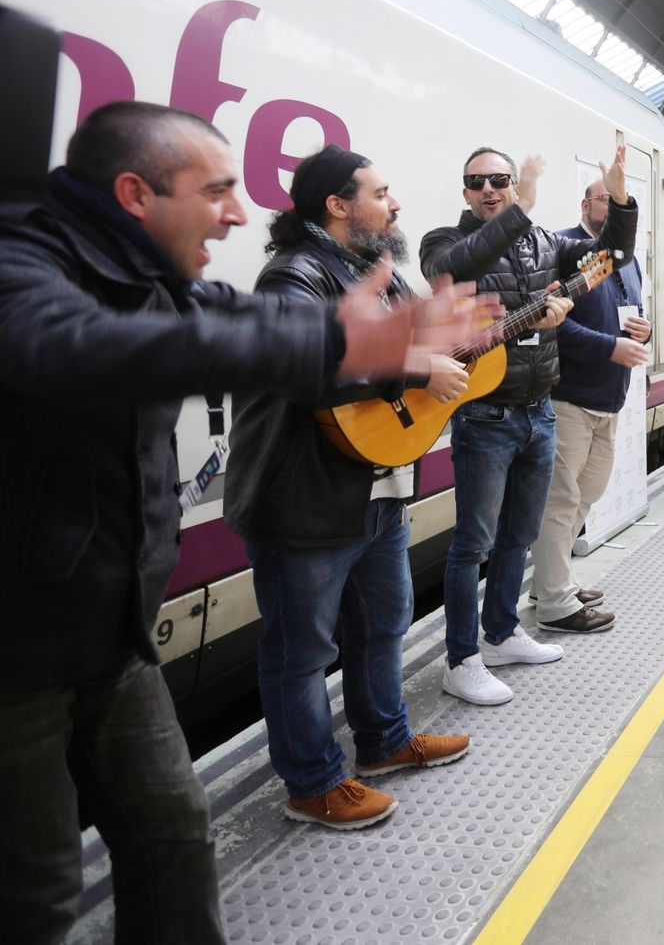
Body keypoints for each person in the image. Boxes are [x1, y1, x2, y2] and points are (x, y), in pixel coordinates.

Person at [0, 101, 474, 942]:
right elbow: (74, 347)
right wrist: (339, 350)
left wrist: (352, 337)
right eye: (217, 189)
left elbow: (233, 315)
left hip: (113, 639)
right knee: (36, 894)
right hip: (19, 653)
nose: (237, 211)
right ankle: (315, 777)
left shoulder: (151, 274)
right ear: (136, 191)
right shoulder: (22, 265)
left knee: (176, 838)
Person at [224, 145, 473, 828]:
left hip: (376, 488)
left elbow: (428, 333)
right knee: (302, 651)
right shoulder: (293, 277)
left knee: (382, 624)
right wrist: (414, 368)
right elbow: (309, 372)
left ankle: (385, 742)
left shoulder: (376, 272)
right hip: (301, 496)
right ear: (337, 205)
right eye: (381, 192)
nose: (394, 203)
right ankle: (311, 782)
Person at [422, 145, 637, 704]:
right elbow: (453, 271)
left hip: (539, 411)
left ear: (511, 183)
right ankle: (462, 659)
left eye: (500, 180)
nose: (489, 189)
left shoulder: (545, 245)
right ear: (465, 192)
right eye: (478, 182)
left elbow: (610, 258)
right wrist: (522, 208)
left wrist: (619, 198)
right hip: (484, 418)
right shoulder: (442, 243)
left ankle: (500, 635)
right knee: (474, 543)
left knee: (518, 535)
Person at [529, 178, 652, 633]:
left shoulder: (628, 260)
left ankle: (548, 580)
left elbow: (633, 315)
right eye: (609, 199)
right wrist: (610, 348)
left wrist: (644, 332)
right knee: (561, 501)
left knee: (588, 494)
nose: (617, 208)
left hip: (609, 401)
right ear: (586, 204)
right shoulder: (568, 252)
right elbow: (550, 326)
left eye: (622, 203)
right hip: (570, 399)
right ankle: (556, 604)